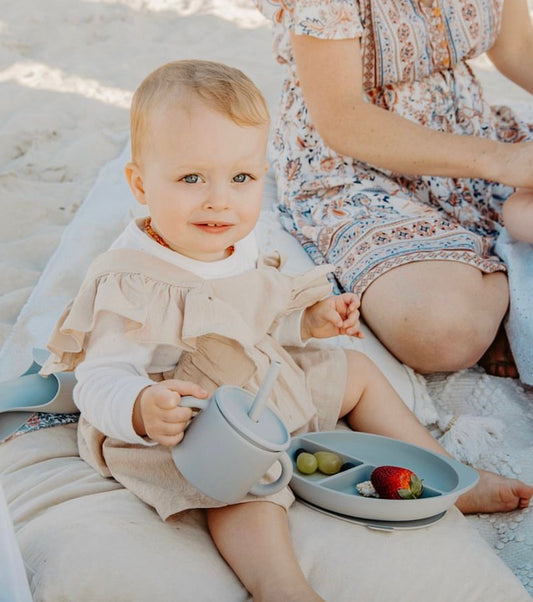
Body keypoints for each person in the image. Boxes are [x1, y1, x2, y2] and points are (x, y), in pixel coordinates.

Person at [41, 60, 532, 602]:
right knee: (242, 484)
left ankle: (451, 477)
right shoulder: (130, 280)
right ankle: (281, 585)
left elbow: (257, 306)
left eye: (242, 178)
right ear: (139, 183)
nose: (219, 200)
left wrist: (307, 320)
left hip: (257, 381)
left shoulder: (230, 238)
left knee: (357, 372)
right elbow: (99, 377)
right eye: (190, 178)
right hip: (194, 419)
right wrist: (141, 405)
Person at [255, 0, 533, 379]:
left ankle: (506, 298)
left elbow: (515, 47)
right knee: (441, 332)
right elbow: (343, 119)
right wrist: (501, 161)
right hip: (350, 165)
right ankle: (514, 297)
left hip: (469, 126)